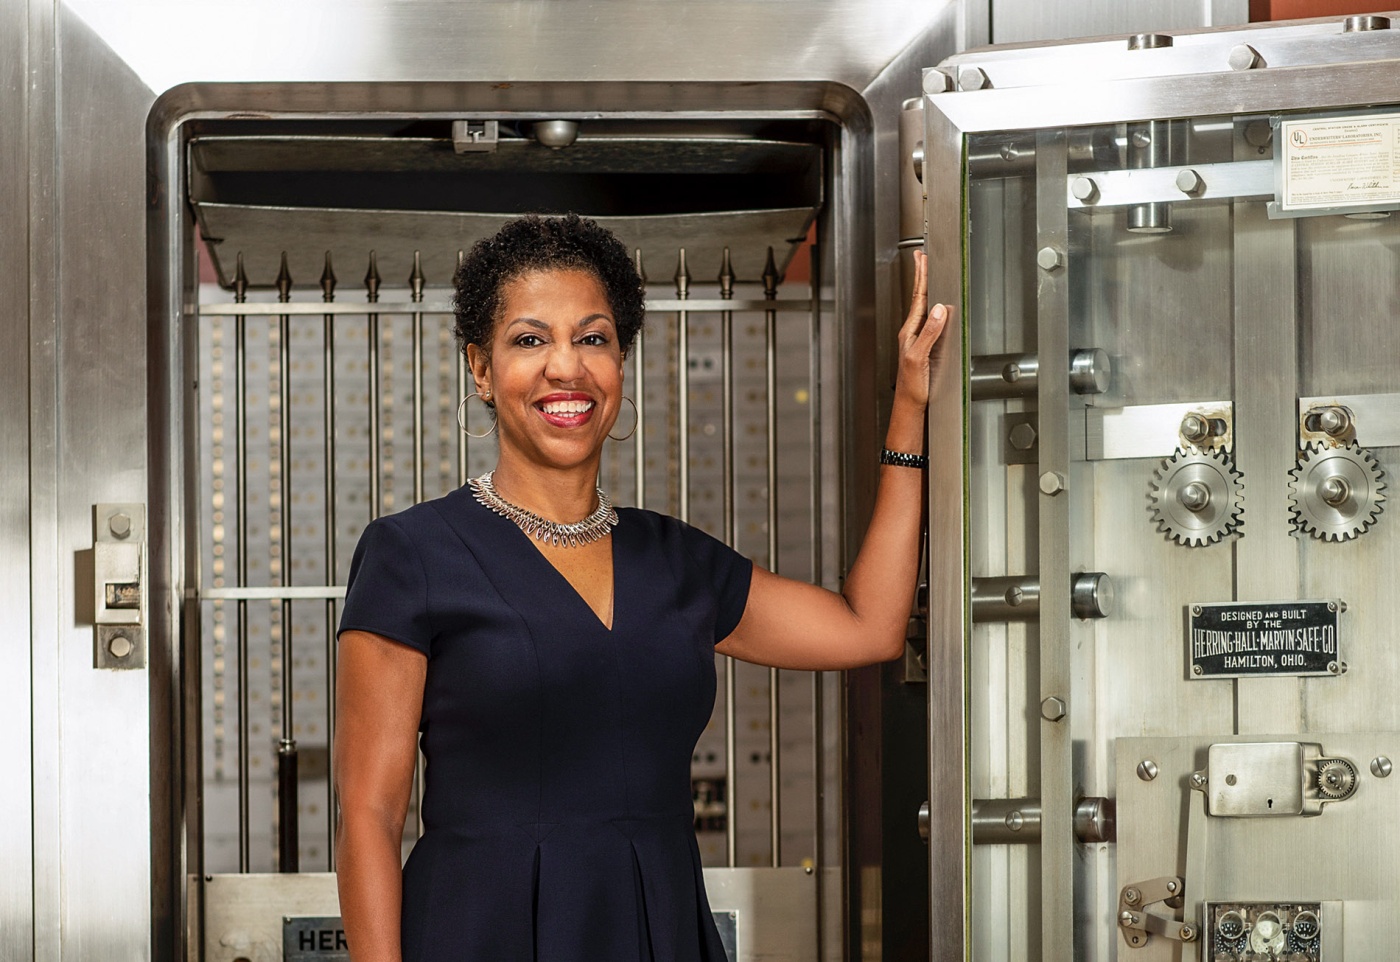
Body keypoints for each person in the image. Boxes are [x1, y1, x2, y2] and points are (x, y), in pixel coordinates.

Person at [333, 213, 950, 962]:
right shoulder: (412, 554)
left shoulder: (676, 560)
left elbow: (869, 627)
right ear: (482, 370)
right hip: (477, 929)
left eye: (593, 338)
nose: (568, 367)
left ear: (620, 361)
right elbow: (369, 812)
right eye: (531, 340)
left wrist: (911, 409)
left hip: (655, 929)